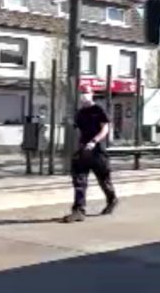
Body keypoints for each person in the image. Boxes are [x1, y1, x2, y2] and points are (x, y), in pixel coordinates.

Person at [63, 86, 118, 223]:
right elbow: (77, 130)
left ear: (92, 94)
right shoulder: (80, 113)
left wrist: (94, 141)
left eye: (86, 92)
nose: (84, 95)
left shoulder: (98, 110)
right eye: (81, 93)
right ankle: (78, 210)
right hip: (83, 150)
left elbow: (105, 128)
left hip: (97, 150)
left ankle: (112, 199)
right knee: (79, 180)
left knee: (104, 180)